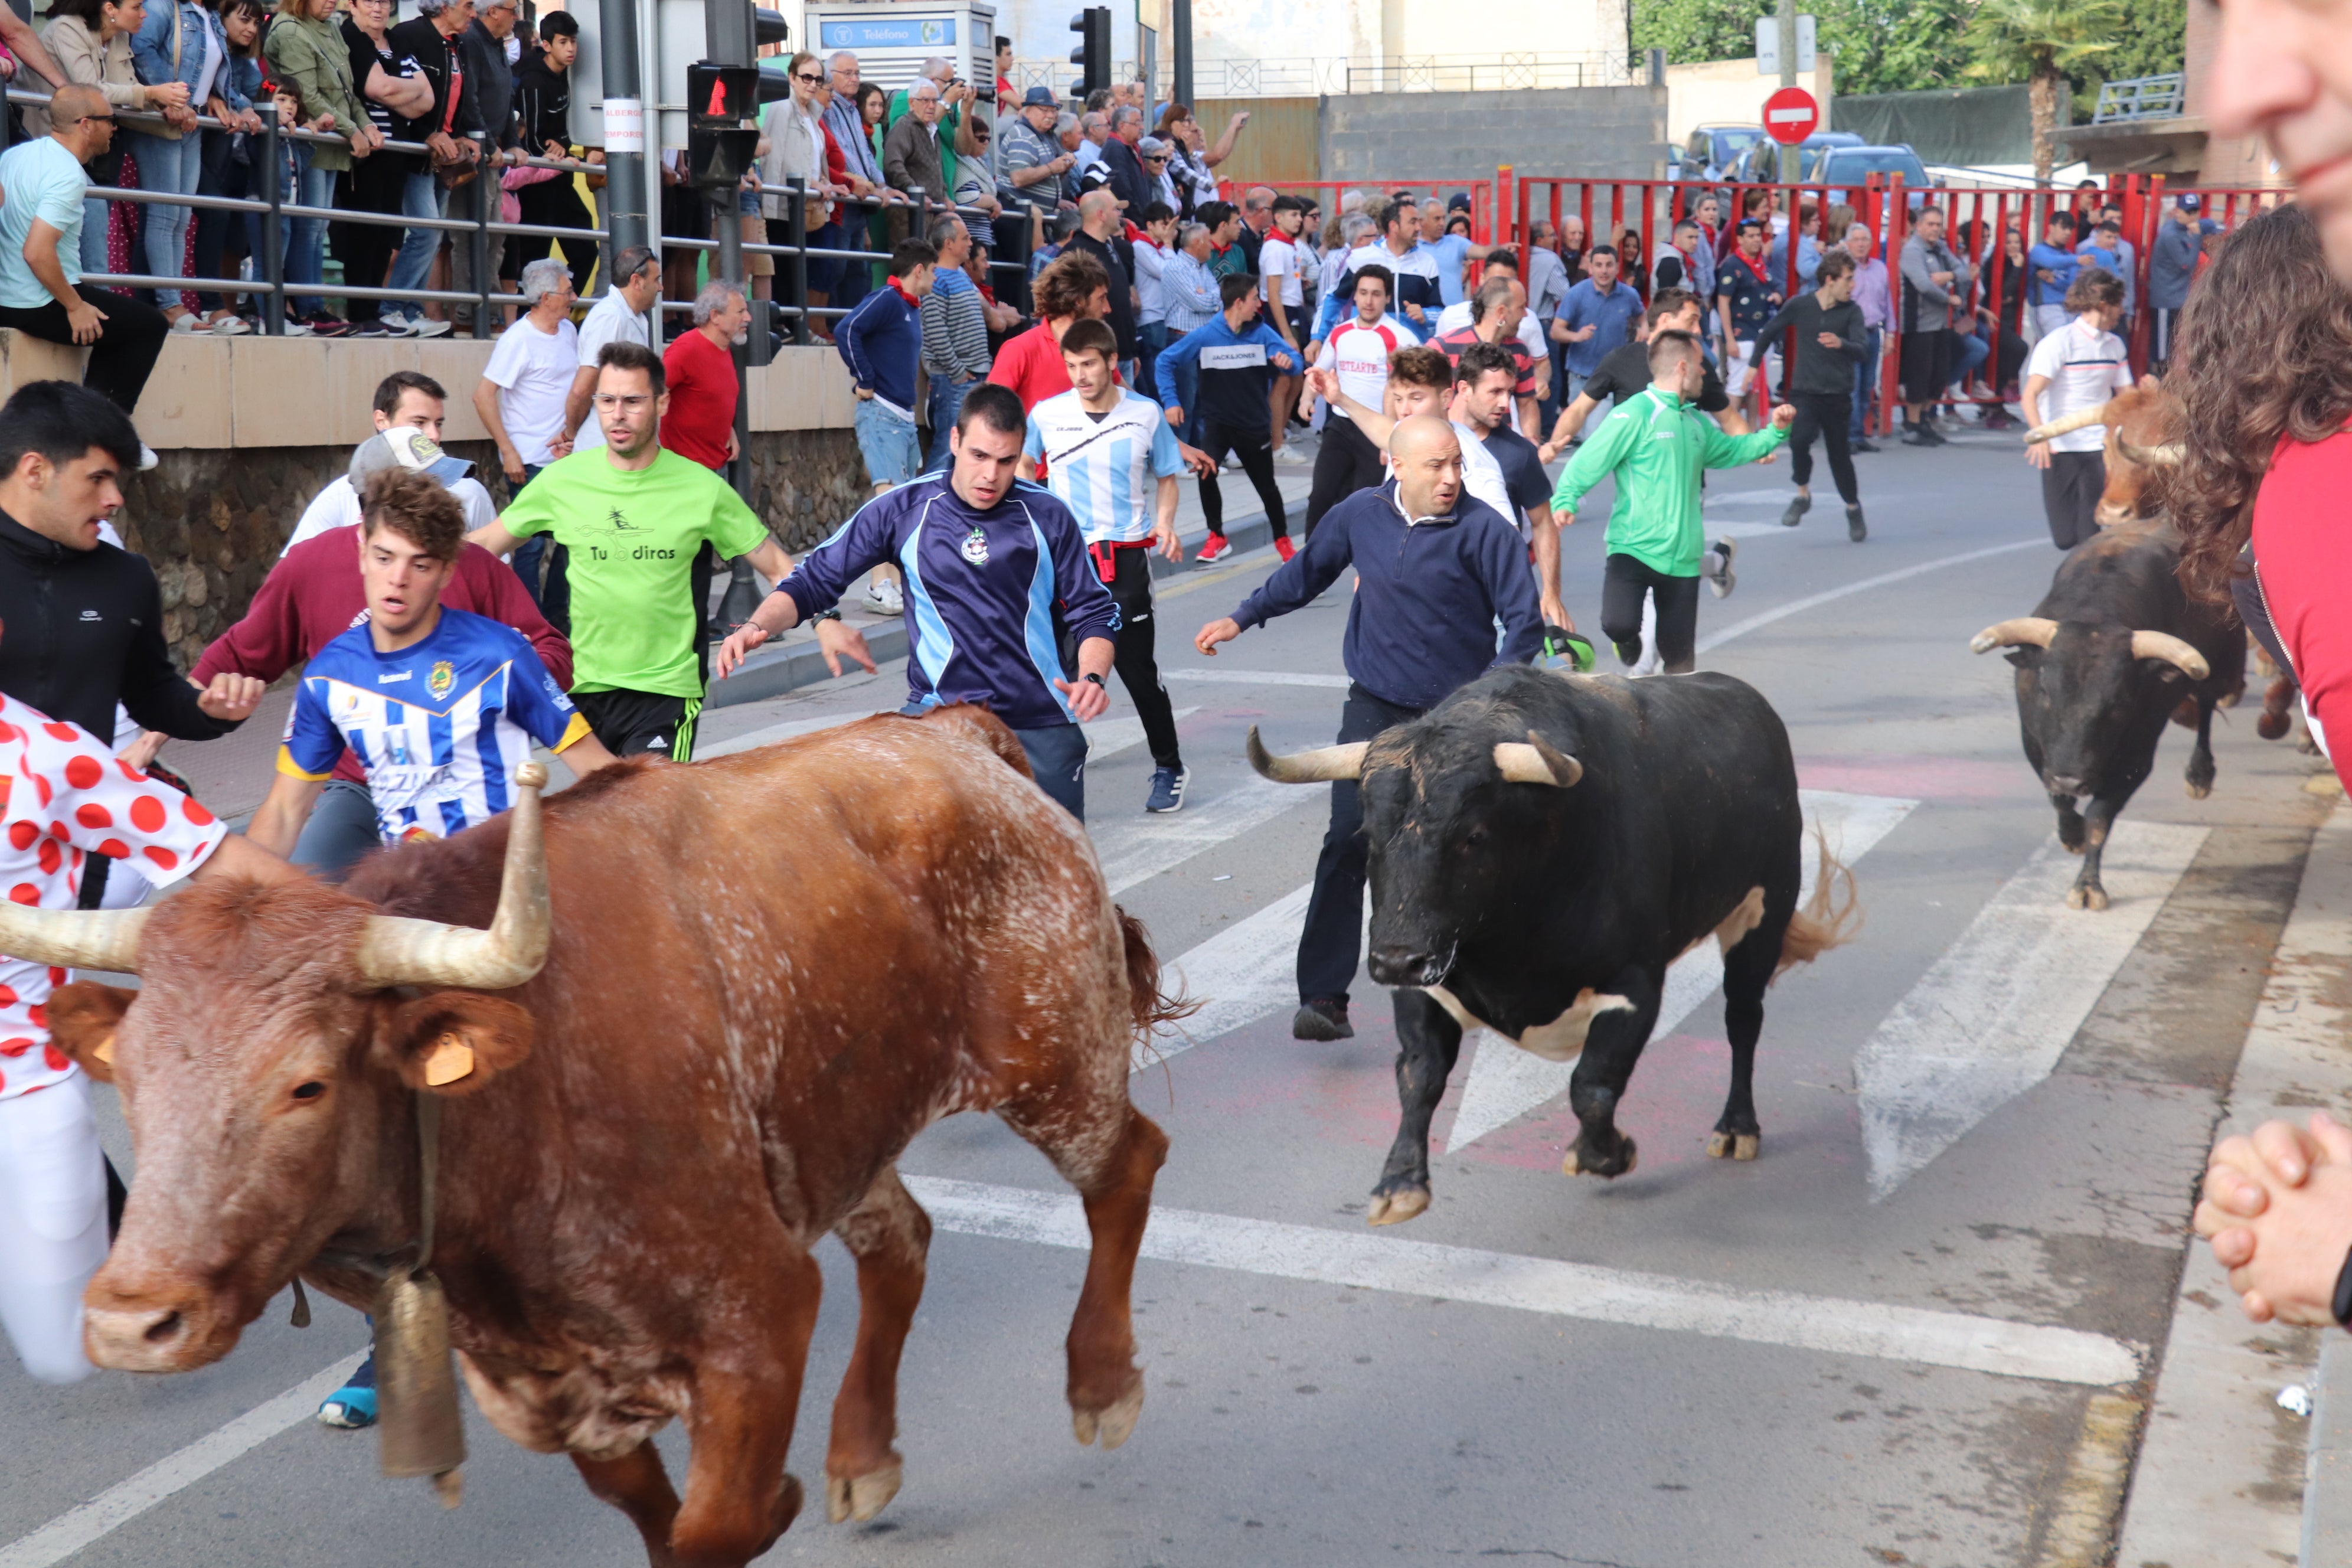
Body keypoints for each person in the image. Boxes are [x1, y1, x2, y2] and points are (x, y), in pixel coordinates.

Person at [1193, 414, 1542, 1042]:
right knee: (1347, 841)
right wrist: (1242, 617)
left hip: (1454, 722)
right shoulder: (1361, 513)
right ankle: (1324, 998)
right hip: (1375, 711)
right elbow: (1306, 573)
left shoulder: (1487, 531)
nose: (1451, 478)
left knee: (1461, 847)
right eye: (1437, 465)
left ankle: (1487, 980)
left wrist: (1484, 706)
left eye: (1457, 463)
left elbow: (1524, 627)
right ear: (1398, 466)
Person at [0, 670, 296, 1386]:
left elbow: (219, 859)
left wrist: (368, 941)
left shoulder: (45, 756)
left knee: (58, 1351)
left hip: (24, 1085)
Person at [713, 384, 1118, 819]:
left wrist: (1092, 677)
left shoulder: (1048, 514)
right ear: (955, 442)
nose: (991, 475)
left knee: (1055, 884)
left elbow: (1094, 613)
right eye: (979, 456)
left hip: (1040, 723)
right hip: (941, 725)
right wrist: (758, 625)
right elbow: (812, 580)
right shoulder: (905, 509)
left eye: (1005, 461)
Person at [201, 445, 570, 878]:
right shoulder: (316, 593)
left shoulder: (475, 573)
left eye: (422, 565)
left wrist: (515, 681)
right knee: (305, 899)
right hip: (354, 788)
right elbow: (236, 655)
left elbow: (553, 659)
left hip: (457, 782)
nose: (400, 578)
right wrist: (156, 736)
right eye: (384, 559)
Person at [467, 342, 792, 760]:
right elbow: (485, 547)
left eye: (633, 401)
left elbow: (780, 566)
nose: (617, 414)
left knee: (646, 814)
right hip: (582, 688)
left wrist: (818, 618)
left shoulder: (701, 487)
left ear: (662, 403)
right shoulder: (562, 481)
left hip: (664, 691)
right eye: (607, 401)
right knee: (603, 823)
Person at [1018, 318, 1193, 812]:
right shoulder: (1047, 414)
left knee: (1138, 673)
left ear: (1112, 363)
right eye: (1071, 366)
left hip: (1125, 560)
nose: (1079, 375)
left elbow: (1167, 477)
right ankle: (1054, 761)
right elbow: (1027, 466)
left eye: (1089, 364)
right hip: (1063, 563)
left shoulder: (1146, 414)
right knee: (1054, 668)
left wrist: (1165, 523)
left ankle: (1170, 766)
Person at [1551, 332, 1795, 674]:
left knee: (1679, 663)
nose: (1705, 374)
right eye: (1700, 366)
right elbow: (1589, 460)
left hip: (1683, 558)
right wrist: (1566, 499)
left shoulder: (1695, 422)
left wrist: (1775, 432)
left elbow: (1734, 450)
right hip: (1633, 548)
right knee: (1617, 624)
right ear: (1682, 367)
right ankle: (1628, 640)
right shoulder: (1635, 414)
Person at [0, 84, 170, 413]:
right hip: (35, 302)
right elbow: (37, 252)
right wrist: (75, 306)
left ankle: (96, 422)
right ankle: (106, 431)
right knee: (149, 326)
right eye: (110, 119)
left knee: (114, 320)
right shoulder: (67, 175)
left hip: (8, 296)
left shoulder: (18, 154)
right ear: (86, 124)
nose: (114, 128)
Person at [1156, 273, 1299, 564]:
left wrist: (1288, 362)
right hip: (1218, 424)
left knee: (1267, 488)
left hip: (1254, 425)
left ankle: (1283, 541)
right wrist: (1171, 401)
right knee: (1205, 472)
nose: (1259, 305)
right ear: (1238, 303)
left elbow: (1295, 361)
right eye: (1255, 299)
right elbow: (1164, 362)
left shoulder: (1261, 333)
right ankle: (1217, 537)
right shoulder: (1206, 336)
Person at [283, 371, 499, 551]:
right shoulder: (338, 499)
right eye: (419, 422)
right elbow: (292, 573)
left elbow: (495, 576)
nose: (433, 435)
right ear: (381, 420)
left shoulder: (471, 494)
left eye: (438, 423)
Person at [836, 240, 937, 620]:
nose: (936, 277)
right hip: (882, 416)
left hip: (903, 419)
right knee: (887, 503)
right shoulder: (888, 299)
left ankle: (893, 583)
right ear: (919, 270)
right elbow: (847, 330)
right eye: (933, 270)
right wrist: (865, 378)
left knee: (902, 504)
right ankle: (879, 586)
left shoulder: (911, 307)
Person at [1538, 288, 1740, 463]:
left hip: (1688, 485)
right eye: (1691, 321)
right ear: (1665, 320)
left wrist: (1756, 447)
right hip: (1637, 492)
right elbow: (1579, 410)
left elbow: (1728, 417)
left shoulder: (1699, 363)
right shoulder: (1620, 360)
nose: (1697, 331)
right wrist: (1555, 444)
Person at [1752, 249, 1870, 541]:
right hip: (1805, 391)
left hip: (1838, 393)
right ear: (1829, 280)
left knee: (1839, 457)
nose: (1852, 285)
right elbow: (1769, 331)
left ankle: (1853, 508)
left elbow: (1863, 349)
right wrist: (1752, 367)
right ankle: (1802, 495)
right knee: (1799, 440)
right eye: (1848, 279)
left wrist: (1841, 343)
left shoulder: (1852, 311)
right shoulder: (1801, 306)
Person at [382, 0, 482, 335]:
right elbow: (396, 95)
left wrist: (466, 135)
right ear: (443, 5)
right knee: (426, 232)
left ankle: (409, 311)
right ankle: (393, 308)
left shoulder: (459, 44)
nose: (473, 13)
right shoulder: (409, 34)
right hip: (414, 152)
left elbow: (464, 98)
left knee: (434, 233)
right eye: (468, 5)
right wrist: (426, 134)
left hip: (444, 156)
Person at [126, 0, 227, 327]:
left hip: (190, 121)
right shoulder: (162, 6)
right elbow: (140, 47)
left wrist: (236, 105)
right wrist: (169, 98)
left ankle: (174, 304)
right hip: (162, 117)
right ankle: (169, 305)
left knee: (181, 217)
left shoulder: (209, 14)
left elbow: (217, 71)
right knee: (164, 214)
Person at [337, 0, 432, 337]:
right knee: (364, 233)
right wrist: (410, 88)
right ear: (352, 5)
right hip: (364, 152)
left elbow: (428, 102)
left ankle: (374, 310)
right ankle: (359, 312)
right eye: (370, 1)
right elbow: (379, 88)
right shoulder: (350, 37)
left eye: (384, 2)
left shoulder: (397, 41)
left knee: (387, 237)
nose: (378, 8)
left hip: (397, 153)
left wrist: (401, 91)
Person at [2020, 267, 2131, 551]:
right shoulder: (2059, 343)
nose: (2122, 311)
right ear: (2104, 306)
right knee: (2064, 537)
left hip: (2099, 446)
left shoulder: (2115, 345)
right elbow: (2030, 395)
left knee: (2087, 533)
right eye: (2119, 305)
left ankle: (2096, 585)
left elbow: (2126, 395)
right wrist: (2040, 436)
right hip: (2060, 447)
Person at [1304, 264, 1416, 533]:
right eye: (1363, 293)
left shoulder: (1401, 338)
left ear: (1388, 298)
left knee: (1367, 503)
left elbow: (1412, 391)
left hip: (1377, 432)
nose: (1368, 301)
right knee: (1320, 494)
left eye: (1376, 294)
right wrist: (1306, 400)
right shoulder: (1341, 332)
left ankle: (1365, 566)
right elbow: (1318, 372)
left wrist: (1392, 439)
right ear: (1354, 295)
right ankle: (1309, 562)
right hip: (1341, 427)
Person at [475, 257, 579, 493]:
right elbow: (482, 397)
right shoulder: (517, 339)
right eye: (568, 292)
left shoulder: (568, 330)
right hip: (530, 462)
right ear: (546, 298)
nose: (574, 298)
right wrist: (508, 452)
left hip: (565, 458)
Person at [511, 11, 594, 294]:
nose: (570, 49)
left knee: (586, 252)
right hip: (536, 186)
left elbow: (558, 135)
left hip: (561, 179)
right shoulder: (533, 81)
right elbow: (533, 142)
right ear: (546, 45)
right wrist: (557, 151)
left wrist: (562, 146)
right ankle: (530, 321)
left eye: (573, 42)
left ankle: (562, 309)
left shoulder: (569, 77)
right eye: (563, 42)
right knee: (532, 259)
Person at [451, 0, 519, 329]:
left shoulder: (497, 45)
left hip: (490, 157)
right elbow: (470, 97)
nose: (517, 16)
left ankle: (488, 309)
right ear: (493, 10)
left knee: (494, 237)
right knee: (468, 235)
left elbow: (505, 100)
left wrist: (514, 143)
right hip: (472, 155)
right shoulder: (473, 41)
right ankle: (468, 311)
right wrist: (490, 145)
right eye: (513, 8)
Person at [988, 249, 1113, 412]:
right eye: (1101, 298)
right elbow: (988, 415)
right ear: (1078, 301)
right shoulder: (1020, 350)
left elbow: (1127, 401)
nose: (1108, 308)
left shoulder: (1097, 347)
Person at [563, 243, 659, 458]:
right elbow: (582, 388)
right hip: (602, 448)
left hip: (620, 446)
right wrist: (570, 435)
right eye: (656, 280)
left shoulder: (633, 316)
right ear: (637, 281)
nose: (660, 288)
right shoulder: (611, 317)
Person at [921, 214, 993, 473]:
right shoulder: (936, 280)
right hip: (955, 382)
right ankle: (928, 508)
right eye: (966, 238)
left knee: (966, 451)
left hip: (972, 377)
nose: (971, 243)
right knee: (945, 452)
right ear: (949, 244)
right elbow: (935, 332)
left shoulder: (961, 275)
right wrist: (958, 372)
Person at [1898, 205, 1972, 446]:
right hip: (1918, 322)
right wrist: (1949, 298)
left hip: (1940, 323)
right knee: (1919, 375)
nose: (1934, 229)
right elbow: (1923, 284)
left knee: (1938, 374)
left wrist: (1947, 276)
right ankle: (1912, 424)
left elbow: (1963, 271)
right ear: (1919, 226)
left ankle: (1924, 420)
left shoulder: (1940, 248)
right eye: (1930, 224)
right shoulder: (1912, 250)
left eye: (1938, 225)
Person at [1435, 276, 1540, 439]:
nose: (1525, 315)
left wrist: (1532, 443)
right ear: (1501, 312)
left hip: (1500, 446)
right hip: (1450, 444)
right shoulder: (1443, 348)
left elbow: (1526, 404)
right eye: (1521, 308)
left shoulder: (1520, 351)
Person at [662, 280, 749, 472]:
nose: (748, 318)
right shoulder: (686, 349)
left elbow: (711, 399)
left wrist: (729, 430)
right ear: (715, 316)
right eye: (740, 312)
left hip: (716, 465)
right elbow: (651, 395)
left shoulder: (724, 348)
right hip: (685, 470)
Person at [1714, 218, 1781, 407]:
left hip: (1762, 333)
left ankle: (1751, 433)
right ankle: (1730, 433)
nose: (1756, 240)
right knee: (1737, 386)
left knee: (1756, 389)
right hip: (1742, 334)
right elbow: (1723, 302)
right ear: (1740, 239)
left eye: (1758, 235)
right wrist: (1730, 339)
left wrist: (1775, 295)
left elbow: (1772, 286)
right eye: (1750, 236)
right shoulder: (1732, 265)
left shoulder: (1761, 263)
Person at [1845, 223, 1892, 452]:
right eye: (1856, 239)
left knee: (1867, 386)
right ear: (1847, 244)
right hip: (1850, 335)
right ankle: (1849, 436)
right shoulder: (1843, 269)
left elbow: (1888, 302)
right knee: (1851, 386)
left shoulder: (1880, 268)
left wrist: (1891, 333)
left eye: (1865, 239)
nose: (1861, 244)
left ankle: (1859, 434)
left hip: (1873, 333)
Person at [2148, 196, 2202, 373]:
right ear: (2178, 211)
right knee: (2163, 351)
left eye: (2195, 212)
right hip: (2166, 300)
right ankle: (2159, 382)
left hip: (2179, 299)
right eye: (2188, 212)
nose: (2192, 216)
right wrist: (2196, 239)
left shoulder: (2184, 229)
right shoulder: (2170, 235)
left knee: (2175, 348)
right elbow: (2187, 264)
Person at [2026, 210, 2080, 338]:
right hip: (2046, 307)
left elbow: (2072, 285)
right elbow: (2050, 262)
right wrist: (2077, 260)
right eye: (2064, 227)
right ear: (2051, 227)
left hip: (2069, 308)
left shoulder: (2068, 255)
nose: (2068, 232)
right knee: (2058, 344)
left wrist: (2055, 281)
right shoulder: (2039, 250)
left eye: (2070, 229)